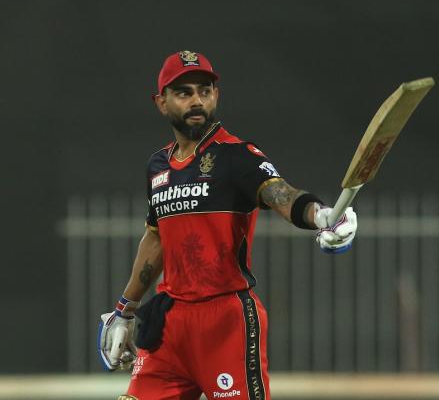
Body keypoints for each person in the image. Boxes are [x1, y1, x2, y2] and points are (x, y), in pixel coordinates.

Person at [97, 50, 358, 400]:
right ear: (161, 103)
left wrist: (320, 215)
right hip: (170, 324)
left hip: (226, 322)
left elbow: (280, 194)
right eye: (184, 92)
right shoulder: (157, 166)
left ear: (215, 96)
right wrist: (124, 310)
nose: (196, 100)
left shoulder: (236, 156)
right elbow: (157, 238)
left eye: (205, 91)